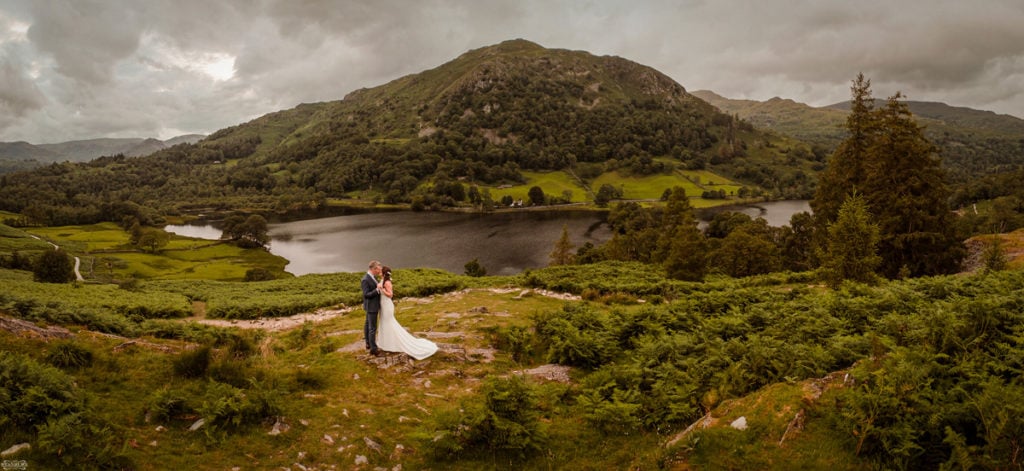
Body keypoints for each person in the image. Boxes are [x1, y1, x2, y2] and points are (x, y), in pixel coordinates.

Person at [376, 266, 438, 360]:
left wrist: (382, 289)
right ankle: (386, 343)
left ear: (384, 273)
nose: (379, 272)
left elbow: (390, 295)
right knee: (384, 323)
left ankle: (394, 343)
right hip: (383, 305)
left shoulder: (387, 282)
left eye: (381, 271)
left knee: (389, 323)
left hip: (387, 305)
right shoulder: (382, 280)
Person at [361, 260, 384, 355]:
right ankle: (373, 349)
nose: (379, 271)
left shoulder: (372, 277)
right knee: (372, 327)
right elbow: (366, 294)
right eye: (378, 269)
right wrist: (377, 290)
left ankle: (368, 343)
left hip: (371, 306)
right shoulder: (365, 279)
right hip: (371, 306)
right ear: (374, 269)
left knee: (367, 325)